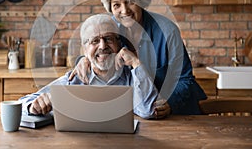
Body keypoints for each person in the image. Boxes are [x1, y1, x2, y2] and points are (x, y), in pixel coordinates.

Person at [69, 0, 207, 118]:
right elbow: (96, 49)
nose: (124, 10)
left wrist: (170, 103)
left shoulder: (167, 31)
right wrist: (83, 60)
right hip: (133, 114)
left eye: (130, 2)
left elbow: (185, 80)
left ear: (141, 1)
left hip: (175, 114)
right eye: (117, 5)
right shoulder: (110, 29)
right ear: (110, 8)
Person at [19, 13, 158, 119]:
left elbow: (147, 111)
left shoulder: (132, 78)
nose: (103, 46)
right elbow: (21, 104)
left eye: (108, 39)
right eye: (95, 41)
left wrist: (136, 63)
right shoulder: (74, 79)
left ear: (119, 44)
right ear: (85, 50)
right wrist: (33, 106)